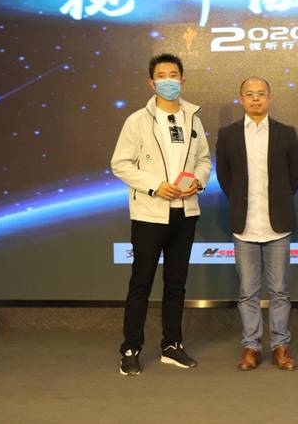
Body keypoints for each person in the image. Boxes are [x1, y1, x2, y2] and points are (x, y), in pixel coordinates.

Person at [111, 53, 211, 375]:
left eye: (173, 75)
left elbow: (204, 160)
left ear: (183, 80)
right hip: (149, 214)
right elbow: (120, 164)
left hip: (186, 212)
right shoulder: (137, 121)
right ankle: (131, 348)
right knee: (141, 283)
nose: (168, 81)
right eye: (162, 76)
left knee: (176, 283)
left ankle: (172, 345)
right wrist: (155, 186)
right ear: (151, 83)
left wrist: (199, 181)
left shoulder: (193, 119)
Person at [216, 77, 298, 371]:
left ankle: (280, 346)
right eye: (250, 94)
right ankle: (251, 347)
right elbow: (225, 177)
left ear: (270, 98)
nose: (256, 99)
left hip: (277, 225)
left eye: (261, 94)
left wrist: (278, 200)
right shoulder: (228, 135)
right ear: (241, 99)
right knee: (247, 292)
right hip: (245, 225)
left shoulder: (285, 133)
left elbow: (295, 175)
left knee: (279, 291)